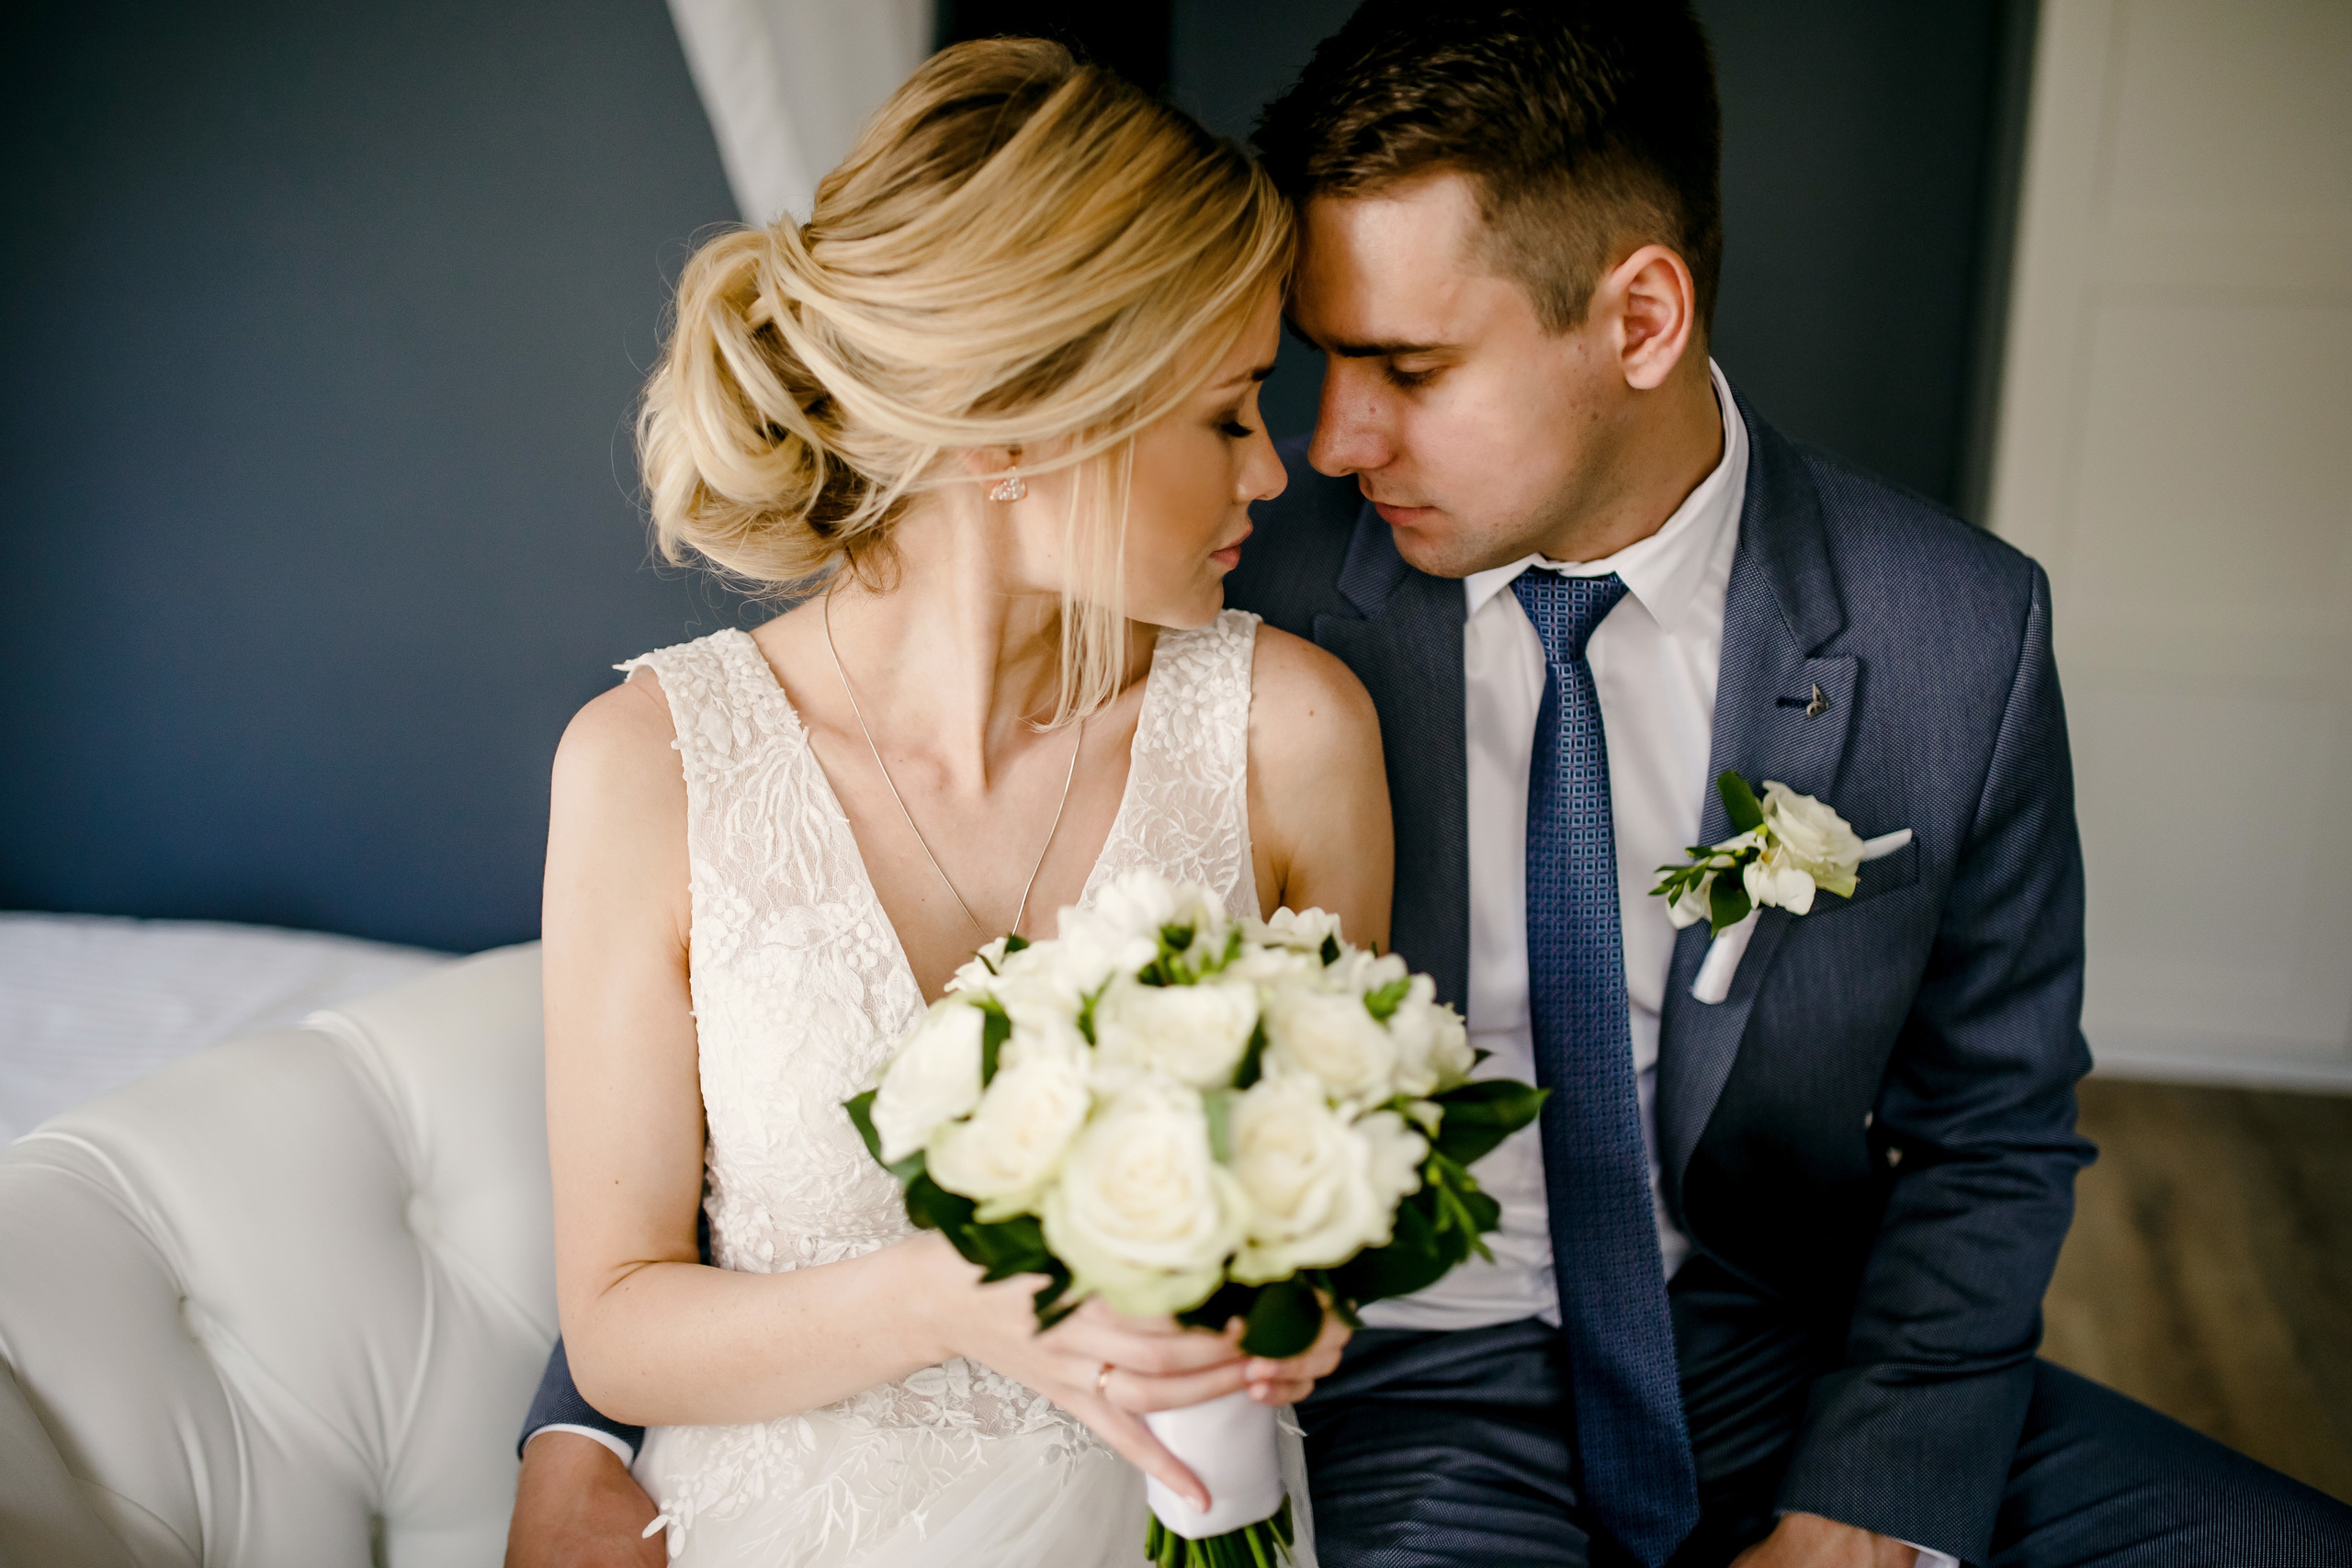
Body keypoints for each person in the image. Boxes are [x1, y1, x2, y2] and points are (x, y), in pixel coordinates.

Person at [514, 7, 2352, 1568]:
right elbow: (750, 1102)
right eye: (1291, 379)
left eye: (1402, 366)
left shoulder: (1952, 631)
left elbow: (1992, 1130)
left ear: (1635, 321)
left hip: (1782, 1348)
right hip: (1414, 1390)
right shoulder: (1242, 585)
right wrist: (581, 1420)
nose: (1321, 443)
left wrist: (1868, 1503)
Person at [521, 38, 1376, 1566]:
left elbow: (1334, 1222)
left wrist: (1296, 1307)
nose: (1275, 472)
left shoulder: (1291, 734)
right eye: (1227, 412)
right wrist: (952, 1301)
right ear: (1023, 423)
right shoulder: (643, 771)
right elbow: (619, 1332)